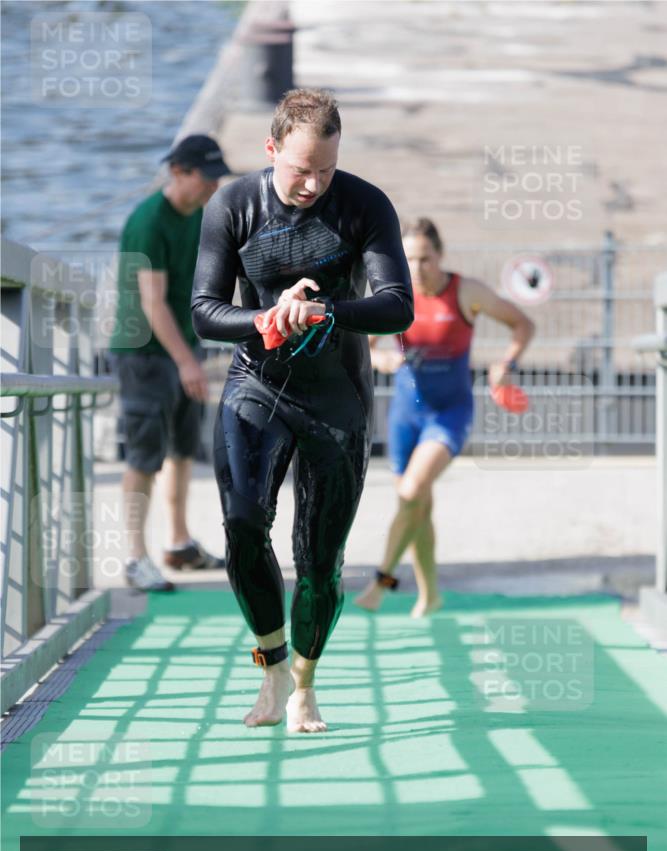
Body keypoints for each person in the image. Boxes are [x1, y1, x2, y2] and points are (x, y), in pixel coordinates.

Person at [191, 89, 413, 733]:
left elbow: (398, 304)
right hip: (256, 384)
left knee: (320, 560)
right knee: (241, 524)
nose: (313, 183)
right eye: (299, 169)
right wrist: (266, 317)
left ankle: (305, 689)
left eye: (326, 169)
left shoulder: (365, 204)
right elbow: (205, 311)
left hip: (336, 395)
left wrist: (323, 311)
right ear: (271, 150)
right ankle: (272, 666)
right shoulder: (233, 203)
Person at [354, 217, 535, 618]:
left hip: (449, 414)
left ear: (440, 255)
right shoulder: (394, 294)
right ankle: (430, 594)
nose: (417, 269)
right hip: (404, 416)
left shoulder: (466, 292)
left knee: (411, 490)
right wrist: (378, 357)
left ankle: (381, 582)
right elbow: (359, 347)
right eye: (409, 260)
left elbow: (522, 324)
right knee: (419, 505)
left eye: (425, 259)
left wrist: (507, 363)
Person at [110, 135, 230, 591]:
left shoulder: (199, 216)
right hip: (144, 353)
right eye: (207, 179)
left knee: (182, 449)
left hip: (183, 350)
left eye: (218, 179)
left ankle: (178, 542)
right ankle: (136, 557)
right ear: (179, 172)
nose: (214, 189)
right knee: (144, 456)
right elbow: (152, 303)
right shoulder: (148, 221)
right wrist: (188, 363)